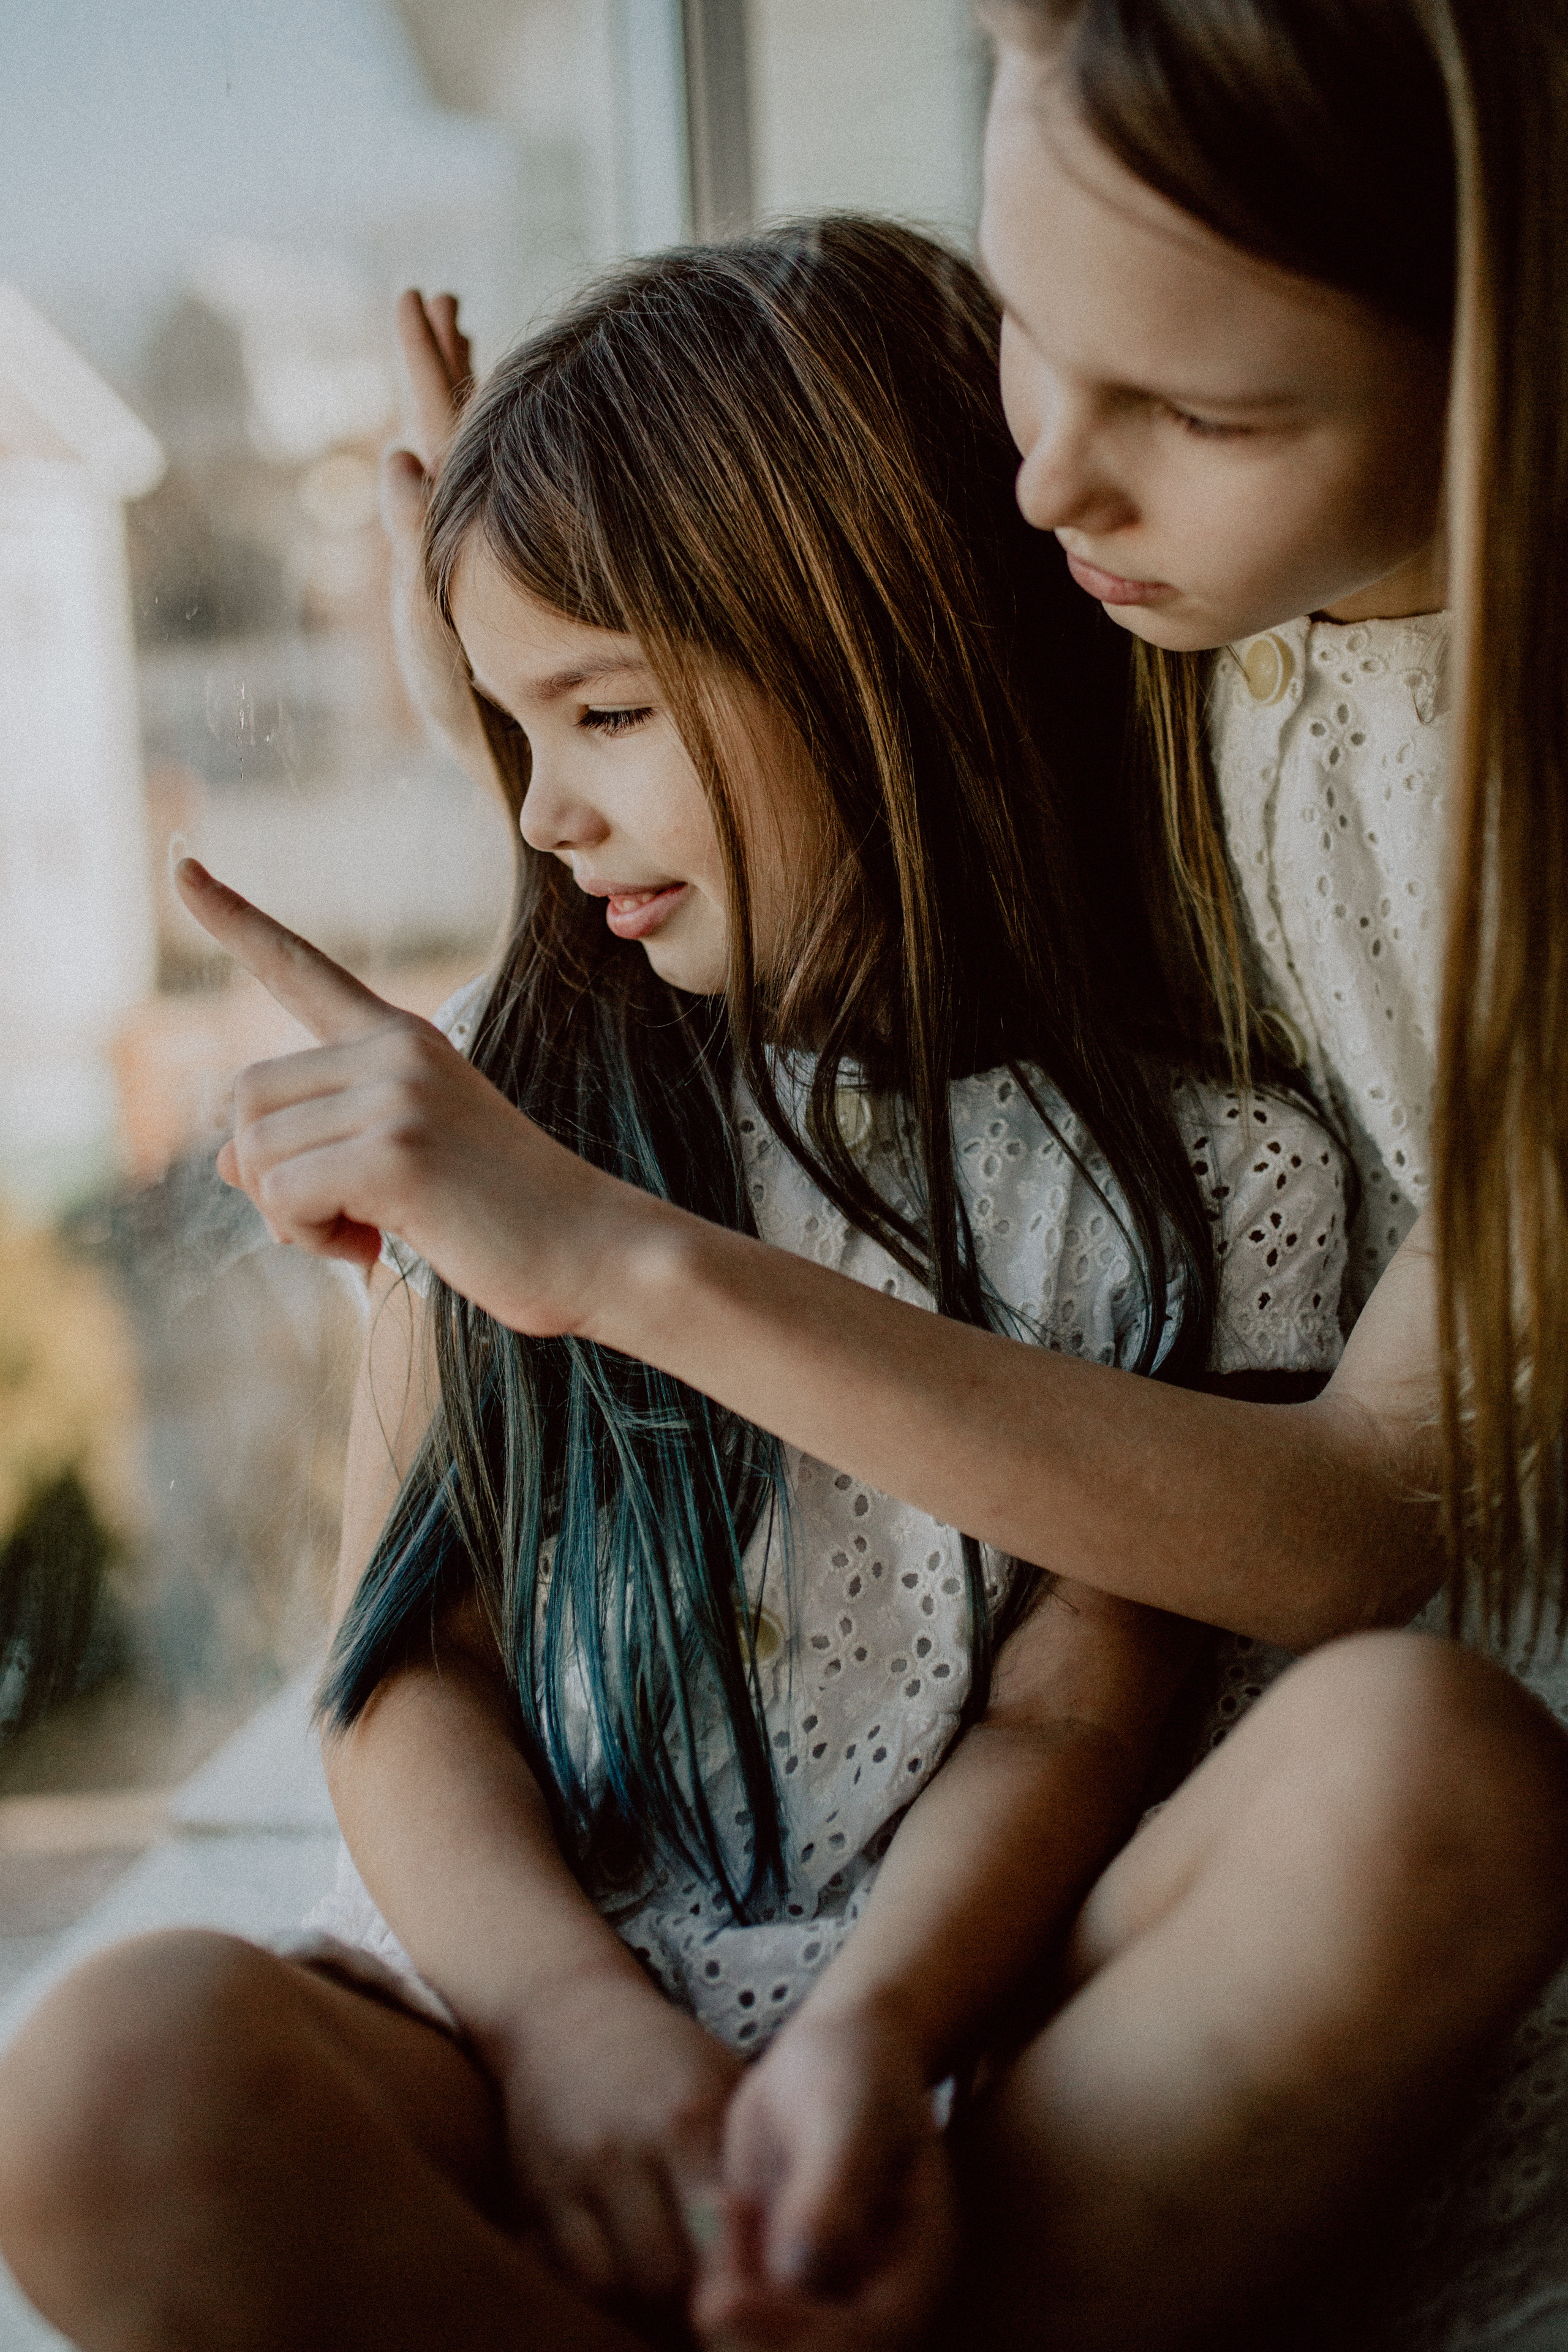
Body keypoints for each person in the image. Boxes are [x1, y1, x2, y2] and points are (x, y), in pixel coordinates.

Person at [0, 221, 1563, 2352]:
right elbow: (403, 1672)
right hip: (500, 2021)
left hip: (957, 2039)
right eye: (508, 731)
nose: (548, 812)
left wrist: (870, 2041)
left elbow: (1071, 1719)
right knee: (102, 2095)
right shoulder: (513, 1108)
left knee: (1432, 1770)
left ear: (881, 654)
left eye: (601, 711)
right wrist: (564, 2027)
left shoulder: (1213, 1178)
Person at [969, 1, 1568, 2342]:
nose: (1052, 482)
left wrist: (631, 1271)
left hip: (1476, 1806)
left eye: (1205, 416)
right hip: (1249, 1760)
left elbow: (1357, 1516)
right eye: (1026, 330)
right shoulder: (1208, 616)